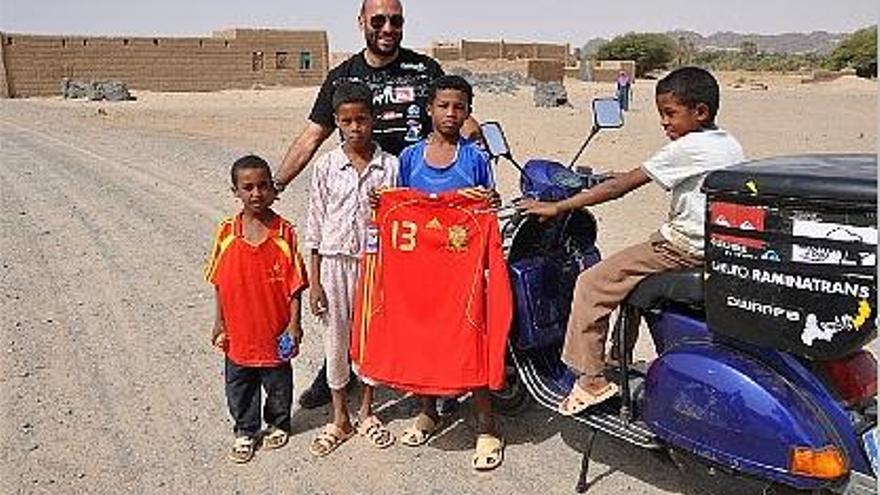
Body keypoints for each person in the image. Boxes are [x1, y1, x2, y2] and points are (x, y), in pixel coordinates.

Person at [273, 0, 480, 410]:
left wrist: (484, 151)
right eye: (379, 20)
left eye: (396, 20)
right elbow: (312, 136)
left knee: (424, 297)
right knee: (350, 298)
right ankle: (336, 372)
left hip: (423, 206)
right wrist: (276, 182)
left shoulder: (425, 71)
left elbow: (458, 118)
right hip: (370, 207)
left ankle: (434, 378)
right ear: (362, 23)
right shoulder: (342, 77)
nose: (388, 28)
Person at [520, 67, 744, 415]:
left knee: (593, 282)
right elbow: (644, 173)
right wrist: (613, 175)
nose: (664, 123)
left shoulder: (687, 147)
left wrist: (557, 206)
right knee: (628, 277)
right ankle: (618, 357)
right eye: (661, 115)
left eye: (670, 114)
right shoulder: (725, 142)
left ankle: (591, 379)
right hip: (713, 245)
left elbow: (618, 189)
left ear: (700, 112)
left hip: (683, 249)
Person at [389, 74, 505, 471]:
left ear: (468, 112)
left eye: (459, 107)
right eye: (444, 105)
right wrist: (381, 202)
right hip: (421, 273)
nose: (451, 113)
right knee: (425, 341)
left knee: (469, 343)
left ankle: (487, 426)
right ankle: (429, 411)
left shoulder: (476, 158)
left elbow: (491, 209)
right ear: (429, 109)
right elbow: (398, 211)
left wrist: (491, 200)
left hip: (465, 275)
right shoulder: (408, 158)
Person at [304, 81, 399, 457]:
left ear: (372, 119)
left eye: (362, 119)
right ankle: (339, 417)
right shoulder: (327, 165)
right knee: (337, 339)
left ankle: (367, 412)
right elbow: (314, 223)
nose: (356, 127)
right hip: (333, 264)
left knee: (371, 338)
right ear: (337, 123)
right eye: (347, 121)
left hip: (375, 265)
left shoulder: (389, 166)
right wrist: (315, 282)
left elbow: (399, 220)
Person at [205, 155, 308, 463]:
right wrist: (219, 322)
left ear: (273, 189)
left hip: (275, 331)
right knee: (239, 386)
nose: (256, 193)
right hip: (238, 333)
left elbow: (295, 285)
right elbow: (219, 283)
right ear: (235, 191)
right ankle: (245, 430)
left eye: (263, 186)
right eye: (247, 187)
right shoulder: (226, 233)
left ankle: (278, 422)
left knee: (278, 383)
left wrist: (294, 324)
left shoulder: (284, 233)